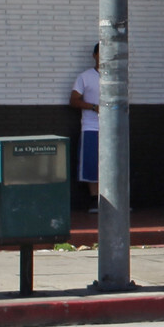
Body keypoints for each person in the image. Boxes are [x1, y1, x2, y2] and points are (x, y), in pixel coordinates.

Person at [69, 45, 101, 211]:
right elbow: (74, 100)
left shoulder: (118, 77)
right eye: (100, 53)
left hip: (114, 129)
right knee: (91, 164)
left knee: (115, 163)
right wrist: (94, 107)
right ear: (94, 55)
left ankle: (115, 199)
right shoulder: (85, 77)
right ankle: (95, 199)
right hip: (91, 127)